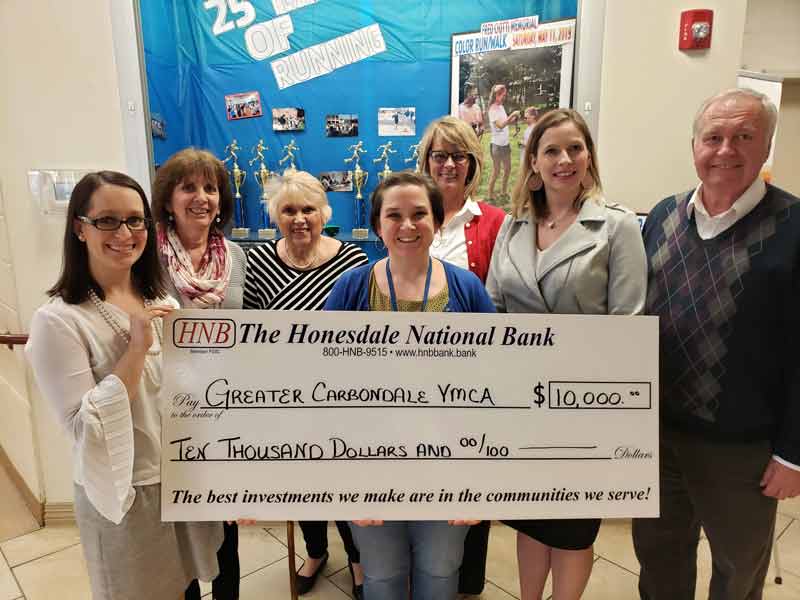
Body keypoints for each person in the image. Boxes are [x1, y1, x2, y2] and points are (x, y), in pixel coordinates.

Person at [633, 88, 800, 600]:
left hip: (742, 449)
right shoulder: (662, 217)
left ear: (766, 145)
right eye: (714, 137)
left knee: (736, 568)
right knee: (659, 556)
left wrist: (794, 455)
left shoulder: (796, 227)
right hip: (657, 436)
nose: (726, 150)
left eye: (743, 137)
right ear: (695, 147)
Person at [25, 171, 223, 599]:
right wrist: (135, 350)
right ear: (80, 227)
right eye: (108, 221)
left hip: (181, 480)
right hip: (124, 498)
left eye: (135, 220)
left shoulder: (162, 301)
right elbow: (85, 427)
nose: (124, 233)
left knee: (188, 588)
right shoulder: (59, 321)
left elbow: (189, 399)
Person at [486, 109, 646, 600]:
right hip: (520, 405)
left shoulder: (617, 227)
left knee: (573, 529)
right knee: (532, 519)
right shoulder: (513, 229)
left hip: (584, 408)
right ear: (532, 161)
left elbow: (629, 324)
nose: (565, 159)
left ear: (589, 156)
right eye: (551, 150)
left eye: (575, 148)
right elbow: (493, 310)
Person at [325, 171, 496, 600]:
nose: (407, 226)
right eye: (394, 215)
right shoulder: (349, 288)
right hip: (367, 464)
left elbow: (499, 385)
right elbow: (319, 388)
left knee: (440, 573)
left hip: (449, 464)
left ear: (437, 221)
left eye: (419, 214)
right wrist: (338, 480)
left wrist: (483, 479)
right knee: (381, 576)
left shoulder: (468, 289)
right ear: (377, 224)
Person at [242, 170, 368, 597]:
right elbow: (251, 333)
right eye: (288, 210)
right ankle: (315, 551)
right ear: (276, 215)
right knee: (302, 478)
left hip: (343, 396)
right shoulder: (258, 262)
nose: (299, 218)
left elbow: (366, 332)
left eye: (308, 209)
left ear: (324, 213)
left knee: (346, 480)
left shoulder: (352, 261)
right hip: (286, 398)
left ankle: (357, 558)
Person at [149, 148, 246, 599]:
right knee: (179, 521)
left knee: (226, 522)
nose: (201, 197)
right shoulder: (145, 253)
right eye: (189, 187)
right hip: (164, 407)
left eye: (210, 188)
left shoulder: (238, 256)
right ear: (168, 199)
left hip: (222, 407)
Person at [416, 115, 504, 595]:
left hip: (474, 376)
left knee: (471, 472)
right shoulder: (409, 212)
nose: (449, 164)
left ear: (472, 164)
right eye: (440, 155)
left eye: (459, 156)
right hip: (412, 376)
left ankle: (467, 579)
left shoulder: (495, 222)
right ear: (426, 161)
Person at [486, 84, 520, 202]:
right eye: (502, 95)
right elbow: (500, 125)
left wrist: (512, 119)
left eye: (505, 95)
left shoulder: (501, 107)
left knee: (508, 168)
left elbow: (504, 123)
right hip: (497, 145)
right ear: (496, 95)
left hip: (505, 143)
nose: (504, 97)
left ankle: (503, 192)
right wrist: (512, 115)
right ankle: (490, 194)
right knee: (496, 170)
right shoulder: (493, 109)